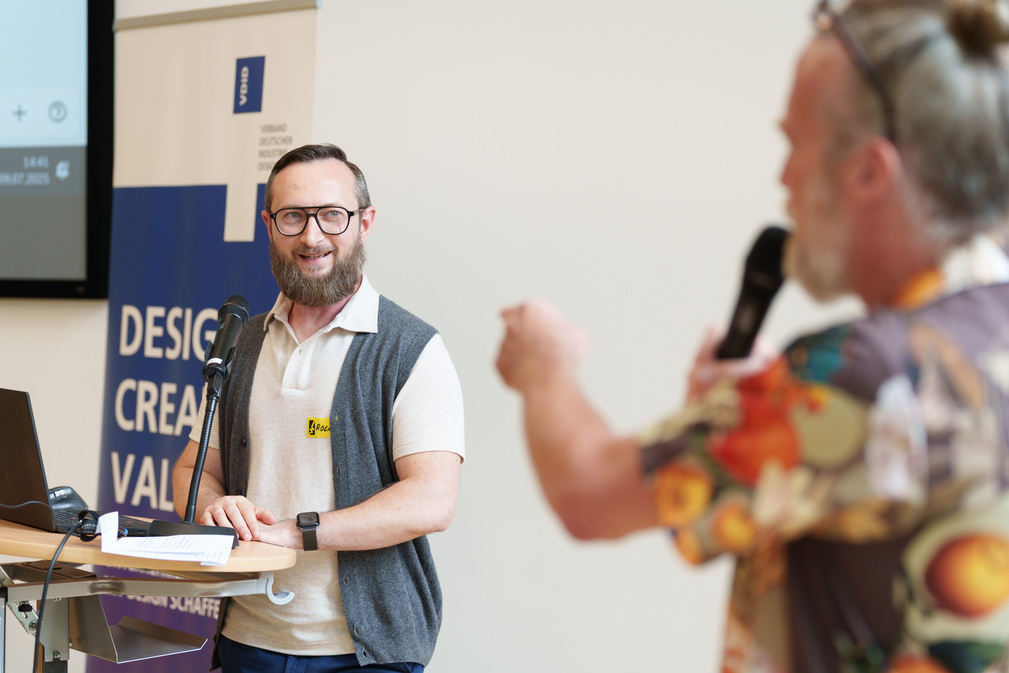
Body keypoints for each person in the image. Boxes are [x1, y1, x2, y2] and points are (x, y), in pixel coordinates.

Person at [496, 1, 1009, 671]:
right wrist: (765, 410)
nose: (782, 178)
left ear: (868, 172)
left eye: (794, 144)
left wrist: (543, 364)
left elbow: (587, 492)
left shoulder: (862, 375)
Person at [172, 143, 465, 673]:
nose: (312, 237)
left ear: (364, 223)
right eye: (293, 217)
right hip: (246, 639)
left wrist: (298, 531)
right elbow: (194, 471)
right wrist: (212, 506)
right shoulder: (243, 343)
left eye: (332, 215)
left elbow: (432, 500)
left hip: (366, 656)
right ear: (269, 225)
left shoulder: (410, 349)